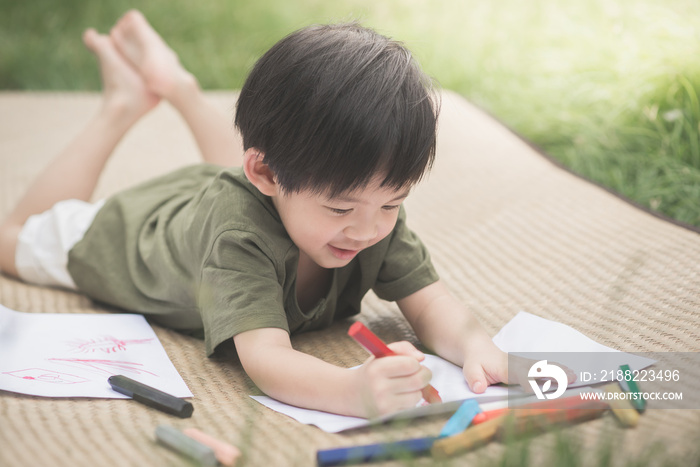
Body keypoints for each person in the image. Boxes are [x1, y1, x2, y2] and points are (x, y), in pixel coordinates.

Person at [0, 10, 513, 418]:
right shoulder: (239, 238)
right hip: (133, 234)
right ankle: (121, 104)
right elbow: (266, 359)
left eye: (392, 203)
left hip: (225, 192)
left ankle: (178, 86)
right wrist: (350, 389)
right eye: (340, 207)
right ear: (264, 175)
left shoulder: (366, 207)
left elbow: (430, 301)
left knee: (276, 174)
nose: (368, 228)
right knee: (13, 239)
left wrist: (474, 345)